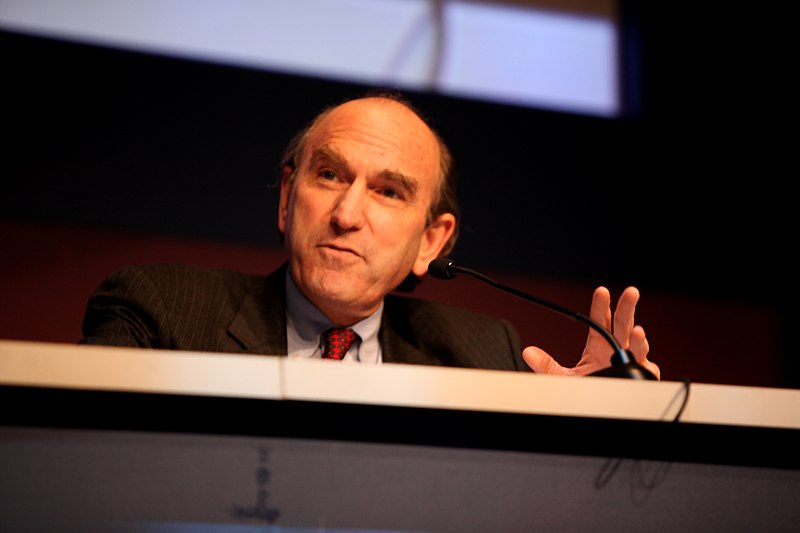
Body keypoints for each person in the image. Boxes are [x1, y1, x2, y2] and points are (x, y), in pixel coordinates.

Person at [80, 90, 660, 380]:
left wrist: (590, 432)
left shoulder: (485, 354)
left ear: (431, 242)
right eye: (329, 175)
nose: (346, 213)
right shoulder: (160, 312)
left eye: (388, 191)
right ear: (287, 198)